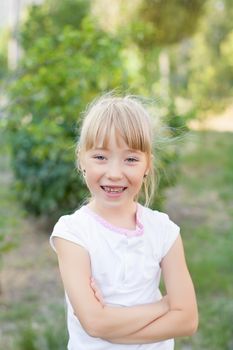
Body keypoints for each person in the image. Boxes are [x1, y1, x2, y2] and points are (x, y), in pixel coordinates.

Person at [50, 94, 198, 350]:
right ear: (81, 159)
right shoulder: (72, 233)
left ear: (147, 164)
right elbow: (95, 324)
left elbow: (187, 320)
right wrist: (164, 305)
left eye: (130, 159)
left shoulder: (164, 231)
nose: (115, 173)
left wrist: (116, 332)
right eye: (100, 157)